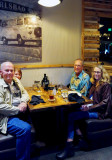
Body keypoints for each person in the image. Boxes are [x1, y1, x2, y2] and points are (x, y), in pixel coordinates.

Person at [56, 65, 112, 160]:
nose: (96, 74)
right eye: (94, 72)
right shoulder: (95, 84)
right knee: (69, 111)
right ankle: (80, 139)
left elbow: (104, 103)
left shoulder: (105, 85)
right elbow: (90, 98)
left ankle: (69, 146)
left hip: (99, 113)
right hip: (91, 107)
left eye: (98, 72)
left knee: (72, 116)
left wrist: (89, 108)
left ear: (102, 73)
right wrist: (84, 105)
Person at [0, 61, 31, 160]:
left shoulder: (16, 81)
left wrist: (23, 102)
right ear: (1, 72)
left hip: (20, 112)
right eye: (6, 70)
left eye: (11, 70)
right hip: (6, 117)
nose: (9, 73)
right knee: (25, 129)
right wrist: (17, 109)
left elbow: (25, 93)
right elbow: (1, 107)